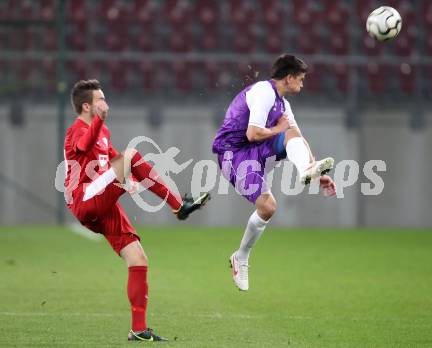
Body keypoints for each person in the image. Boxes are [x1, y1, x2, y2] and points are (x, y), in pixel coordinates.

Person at [64, 79, 210, 341]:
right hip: (85, 199)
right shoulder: (77, 129)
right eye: (100, 98)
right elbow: (84, 146)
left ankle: (139, 330)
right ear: (87, 106)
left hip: (103, 203)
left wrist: (130, 177)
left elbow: (115, 159)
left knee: (138, 258)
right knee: (132, 154)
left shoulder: (103, 131)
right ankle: (179, 206)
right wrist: (99, 123)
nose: (104, 102)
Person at [212, 54, 336, 291]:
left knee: (291, 135)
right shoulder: (263, 92)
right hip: (233, 153)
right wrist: (279, 128)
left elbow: (296, 137)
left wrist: (315, 171)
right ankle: (241, 256)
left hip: (256, 150)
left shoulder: (283, 104)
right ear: (288, 78)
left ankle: (305, 170)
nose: (302, 83)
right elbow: (252, 134)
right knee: (268, 207)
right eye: (300, 78)